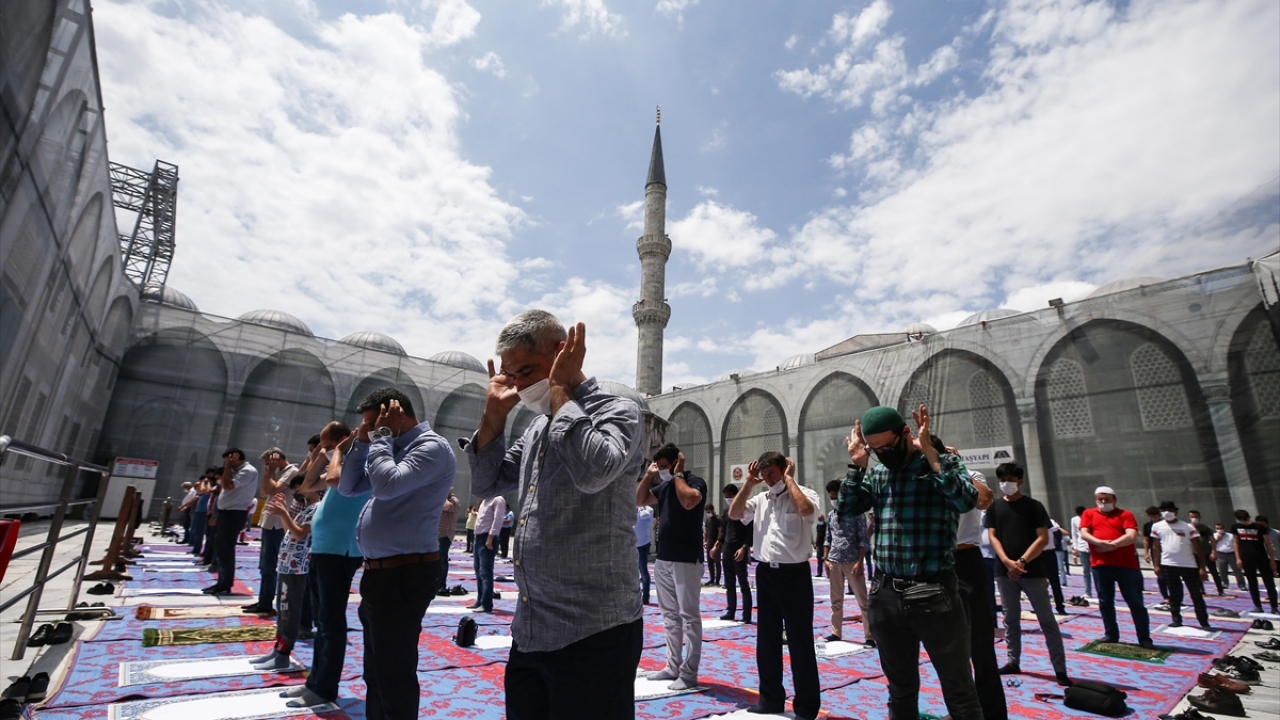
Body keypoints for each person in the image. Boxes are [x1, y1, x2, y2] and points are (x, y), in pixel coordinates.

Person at [467, 311, 645, 720]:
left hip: (593, 630)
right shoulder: (536, 428)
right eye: (512, 376)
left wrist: (562, 391)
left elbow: (594, 471)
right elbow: (487, 483)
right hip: (531, 629)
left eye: (527, 370)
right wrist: (494, 416)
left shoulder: (618, 409)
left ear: (561, 351)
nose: (520, 384)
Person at [836, 405, 982, 720]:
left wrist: (931, 455)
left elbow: (966, 500)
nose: (882, 454)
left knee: (959, 691)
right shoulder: (877, 472)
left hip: (933, 592)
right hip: (886, 594)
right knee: (900, 689)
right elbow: (847, 510)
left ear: (905, 433)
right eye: (875, 450)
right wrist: (858, 466)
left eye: (887, 446)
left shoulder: (940, 462)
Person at [338, 388, 456, 720]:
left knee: (394, 672)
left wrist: (381, 439)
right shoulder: (389, 448)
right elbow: (347, 487)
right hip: (379, 573)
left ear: (396, 412)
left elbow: (387, 486)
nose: (372, 430)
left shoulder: (431, 447)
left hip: (405, 574)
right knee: (376, 670)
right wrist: (363, 442)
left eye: (376, 423)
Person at [728, 452, 821, 720]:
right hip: (767, 574)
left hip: (795, 576)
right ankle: (770, 699)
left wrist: (790, 481)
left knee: (800, 640)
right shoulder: (760, 500)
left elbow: (805, 511)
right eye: (764, 474)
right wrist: (748, 484)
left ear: (784, 470)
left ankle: (806, 706)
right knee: (766, 640)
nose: (768, 479)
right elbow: (735, 513)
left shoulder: (804, 494)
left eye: (773, 474)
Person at [282, 421, 366, 708]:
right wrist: (319, 453)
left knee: (331, 622)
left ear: (343, 441)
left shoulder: (359, 461)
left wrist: (339, 453)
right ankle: (314, 682)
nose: (328, 452)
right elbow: (305, 486)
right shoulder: (335, 462)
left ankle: (325, 687)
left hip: (340, 551)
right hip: (322, 548)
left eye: (329, 445)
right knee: (322, 621)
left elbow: (332, 481)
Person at [985, 462, 1070, 686]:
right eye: (1002, 480)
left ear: (1020, 481)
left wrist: (1021, 562)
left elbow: (1042, 538)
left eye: (1010, 480)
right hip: (1004, 571)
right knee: (1010, 619)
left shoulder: (1034, 506)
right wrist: (1006, 561)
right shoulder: (995, 507)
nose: (1006, 484)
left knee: (1047, 621)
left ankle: (1059, 669)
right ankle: (1013, 660)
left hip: (1032, 571)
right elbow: (993, 536)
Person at [638, 443, 707, 691]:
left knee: (688, 616)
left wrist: (678, 474)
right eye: (661, 467)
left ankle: (689, 672)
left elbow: (689, 501)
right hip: (665, 558)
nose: (663, 471)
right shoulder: (664, 485)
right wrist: (649, 475)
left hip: (686, 558)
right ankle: (673, 665)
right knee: (669, 616)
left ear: (677, 462)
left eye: (666, 466)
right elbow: (639, 499)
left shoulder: (693, 481)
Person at [945, 452, 1004, 720]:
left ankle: (991, 712)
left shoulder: (970, 476)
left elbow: (983, 499)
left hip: (966, 561)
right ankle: (962, 711)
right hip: (938, 561)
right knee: (948, 648)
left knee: (980, 645)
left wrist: (957, 466)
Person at [253, 475, 319, 670]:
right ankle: (278, 648)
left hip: (298, 566)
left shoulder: (316, 508)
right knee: (282, 608)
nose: (297, 493)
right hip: (287, 564)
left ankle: (284, 652)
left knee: (290, 609)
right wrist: (284, 513)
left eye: (300, 489)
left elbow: (299, 534)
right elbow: (289, 531)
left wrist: (284, 514)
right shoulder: (306, 508)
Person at [1078, 486, 1153, 648]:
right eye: (1100, 499)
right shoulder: (1089, 514)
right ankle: (1111, 634)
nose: (1103, 502)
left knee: (1135, 602)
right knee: (1105, 601)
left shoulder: (1125, 514)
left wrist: (1114, 545)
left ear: (1115, 500)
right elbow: (1084, 533)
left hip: (1126, 566)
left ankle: (1144, 637)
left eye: (1107, 499)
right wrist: (1100, 543)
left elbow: (1131, 536)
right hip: (1101, 565)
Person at [245, 448, 298, 615]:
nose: (267, 466)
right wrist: (269, 473)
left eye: (269, 462)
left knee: (270, 566)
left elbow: (274, 490)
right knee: (265, 566)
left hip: (278, 525)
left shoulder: (292, 472)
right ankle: (264, 600)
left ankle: (267, 604)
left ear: (278, 459)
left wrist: (270, 473)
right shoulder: (275, 473)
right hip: (269, 523)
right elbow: (264, 492)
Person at [822, 479, 871, 646]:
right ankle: (836, 632)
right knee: (836, 600)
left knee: (863, 601)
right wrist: (825, 559)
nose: (834, 500)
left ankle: (869, 636)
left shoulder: (857, 514)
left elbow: (863, 540)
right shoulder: (831, 515)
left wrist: (860, 562)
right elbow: (828, 538)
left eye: (836, 496)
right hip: (835, 561)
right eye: (831, 497)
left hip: (852, 561)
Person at [204, 448, 259, 596]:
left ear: (235, 458)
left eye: (227, 460)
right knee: (221, 548)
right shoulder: (234, 471)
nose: (226, 463)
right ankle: (222, 581)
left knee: (226, 549)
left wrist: (228, 467)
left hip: (234, 514)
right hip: (226, 512)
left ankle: (225, 583)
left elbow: (228, 486)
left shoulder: (248, 471)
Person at [1149, 500, 1211, 630]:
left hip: (1188, 565)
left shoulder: (1187, 527)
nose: (1167, 513)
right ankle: (1176, 618)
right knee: (1174, 594)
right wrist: (1156, 564)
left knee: (1196, 594)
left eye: (1170, 510)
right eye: (1164, 510)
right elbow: (1155, 547)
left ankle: (1203, 621)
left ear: (1176, 512)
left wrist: (1202, 568)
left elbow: (1199, 548)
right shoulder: (1157, 527)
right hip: (1168, 564)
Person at [716, 483, 753, 624]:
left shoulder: (745, 510)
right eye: (725, 497)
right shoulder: (726, 511)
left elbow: (750, 531)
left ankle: (746, 614)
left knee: (743, 583)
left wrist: (744, 547)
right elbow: (724, 530)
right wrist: (717, 544)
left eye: (730, 496)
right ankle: (731, 611)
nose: (728, 499)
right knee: (729, 583)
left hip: (740, 549)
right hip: (727, 549)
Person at [1231, 509, 1278, 614]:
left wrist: (1272, 559)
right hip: (1246, 559)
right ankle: (1257, 605)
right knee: (1252, 583)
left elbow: (1268, 544)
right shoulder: (1236, 527)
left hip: (1261, 558)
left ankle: (1274, 607)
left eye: (1245, 519)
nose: (1244, 522)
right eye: (1242, 520)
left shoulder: (1259, 528)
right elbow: (1236, 543)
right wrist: (1238, 558)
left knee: (1269, 583)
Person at [470, 494, 507, 613]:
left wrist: (491, 537)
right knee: (478, 571)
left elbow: (498, 519)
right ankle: (480, 600)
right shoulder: (485, 500)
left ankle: (486, 604)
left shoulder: (498, 499)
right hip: (479, 538)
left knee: (485, 572)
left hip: (487, 538)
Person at [1187, 510, 1223, 595]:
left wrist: (1214, 552)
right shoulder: (1188, 528)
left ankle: (1220, 590)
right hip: (1194, 554)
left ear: (1199, 517)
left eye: (1196, 517)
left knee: (1214, 572)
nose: (1194, 519)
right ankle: (1201, 590)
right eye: (1192, 517)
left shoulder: (1205, 528)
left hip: (1206, 553)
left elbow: (1212, 541)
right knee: (1196, 573)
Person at [1143, 506, 1171, 602]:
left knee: (1171, 575)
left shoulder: (1165, 524)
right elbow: (1146, 540)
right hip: (1156, 553)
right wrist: (1146, 553)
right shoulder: (1147, 526)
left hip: (1167, 551)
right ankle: (1166, 597)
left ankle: (1174, 595)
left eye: (1155, 515)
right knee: (1160, 575)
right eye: (1151, 516)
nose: (1153, 517)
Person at [437, 488, 460, 594]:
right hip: (437, 535)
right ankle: (436, 584)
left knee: (442, 561)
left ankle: (442, 585)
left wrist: (442, 490)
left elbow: (446, 507)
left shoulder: (454, 501)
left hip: (445, 535)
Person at [1213, 522, 1246, 591]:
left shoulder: (1230, 536)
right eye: (1217, 529)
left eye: (1221, 528)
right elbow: (1212, 545)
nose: (1219, 530)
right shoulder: (1214, 535)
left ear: (1224, 528)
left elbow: (1236, 544)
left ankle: (1241, 585)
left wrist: (1238, 556)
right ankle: (1224, 583)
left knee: (1237, 571)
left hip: (1231, 554)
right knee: (1222, 571)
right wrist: (1217, 539)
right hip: (1220, 554)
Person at [1070, 506, 1093, 597]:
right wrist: (1075, 547)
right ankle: (1088, 591)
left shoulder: (1091, 518)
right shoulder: (1074, 520)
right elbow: (1074, 534)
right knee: (1086, 570)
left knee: (1097, 570)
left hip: (1093, 546)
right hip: (1082, 547)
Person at [636, 502, 654, 605]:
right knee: (632, 571)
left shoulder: (648, 509)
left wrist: (638, 507)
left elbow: (642, 517)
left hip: (642, 544)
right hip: (632, 543)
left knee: (643, 571)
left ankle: (645, 597)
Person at [705, 503, 723, 586]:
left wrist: (718, 543)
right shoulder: (708, 520)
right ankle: (711, 579)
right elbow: (706, 531)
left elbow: (720, 531)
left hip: (716, 543)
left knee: (717, 562)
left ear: (712, 510)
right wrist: (705, 541)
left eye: (709, 512)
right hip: (709, 542)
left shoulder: (718, 519)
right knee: (710, 562)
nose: (708, 513)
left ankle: (718, 580)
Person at [814, 511, 828, 579]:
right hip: (819, 544)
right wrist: (815, 543)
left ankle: (829, 574)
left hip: (825, 544)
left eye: (820, 520)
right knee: (819, 559)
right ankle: (819, 573)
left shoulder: (827, 525)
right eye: (819, 520)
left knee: (826, 559)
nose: (820, 521)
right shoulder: (818, 526)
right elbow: (817, 535)